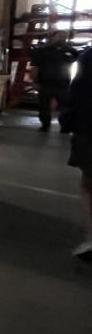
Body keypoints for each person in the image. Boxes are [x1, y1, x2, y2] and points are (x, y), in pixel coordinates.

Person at [61, 47, 92, 261]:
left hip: (89, 129)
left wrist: (68, 121)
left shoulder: (89, 57)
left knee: (89, 185)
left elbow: (78, 91)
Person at [30, 30, 78, 132]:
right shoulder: (42, 51)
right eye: (59, 36)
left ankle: (65, 126)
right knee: (44, 105)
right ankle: (45, 124)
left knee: (65, 106)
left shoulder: (71, 51)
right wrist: (34, 81)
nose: (61, 38)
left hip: (63, 83)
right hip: (45, 83)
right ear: (53, 37)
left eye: (64, 37)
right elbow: (35, 67)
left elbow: (80, 65)